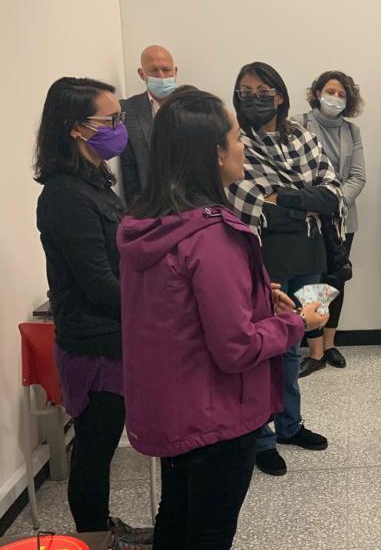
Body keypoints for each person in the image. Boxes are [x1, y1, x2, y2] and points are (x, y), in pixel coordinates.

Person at [118, 88, 328, 550]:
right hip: (215, 414)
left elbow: (180, 313)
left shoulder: (149, 223)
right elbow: (237, 348)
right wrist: (299, 325)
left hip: (174, 406)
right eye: (235, 138)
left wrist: (254, 294)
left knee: (175, 516)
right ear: (212, 154)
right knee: (210, 532)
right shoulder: (213, 236)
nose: (244, 147)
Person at [226, 61, 342, 476]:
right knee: (263, 349)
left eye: (262, 90)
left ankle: (290, 425)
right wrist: (304, 199)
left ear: (279, 94)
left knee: (292, 344)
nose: (253, 97)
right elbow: (246, 196)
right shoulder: (235, 141)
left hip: (308, 253)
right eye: (245, 91)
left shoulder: (302, 136)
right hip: (262, 255)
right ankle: (262, 438)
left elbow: (331, 193)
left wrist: (284, 198)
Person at [34, 77, 132, 534]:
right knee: (94, 450)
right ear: (76, 128)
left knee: (102, 445)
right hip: (94, 346)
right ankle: (93, 538)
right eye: (109, 120)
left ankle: (101, 528)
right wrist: (159, 306)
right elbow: (99, 284)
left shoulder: (94, 182)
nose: (118, 127)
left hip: (114, 338)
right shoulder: (64, 195)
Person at [292, 70, 367, 377]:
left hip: (342, 220)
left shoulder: (352, 131)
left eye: (341, 94)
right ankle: (314, 351)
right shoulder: (297, 124)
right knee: (312, 282)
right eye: (330, 91)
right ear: (317, 92)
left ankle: (330, 343)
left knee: (336, 280)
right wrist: (318, 204)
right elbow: (294, 173)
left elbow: (358, 176)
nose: (334, 98)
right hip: (309, 219)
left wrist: (334, 203)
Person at [121, 45, 178, 205]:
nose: (161, 76)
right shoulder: (128, 109)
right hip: (150, 206)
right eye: (153, 70)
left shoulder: (193, 105)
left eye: (166, 70)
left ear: (175, 71)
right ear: (142, 73)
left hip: (192, 205)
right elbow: (129, 167)